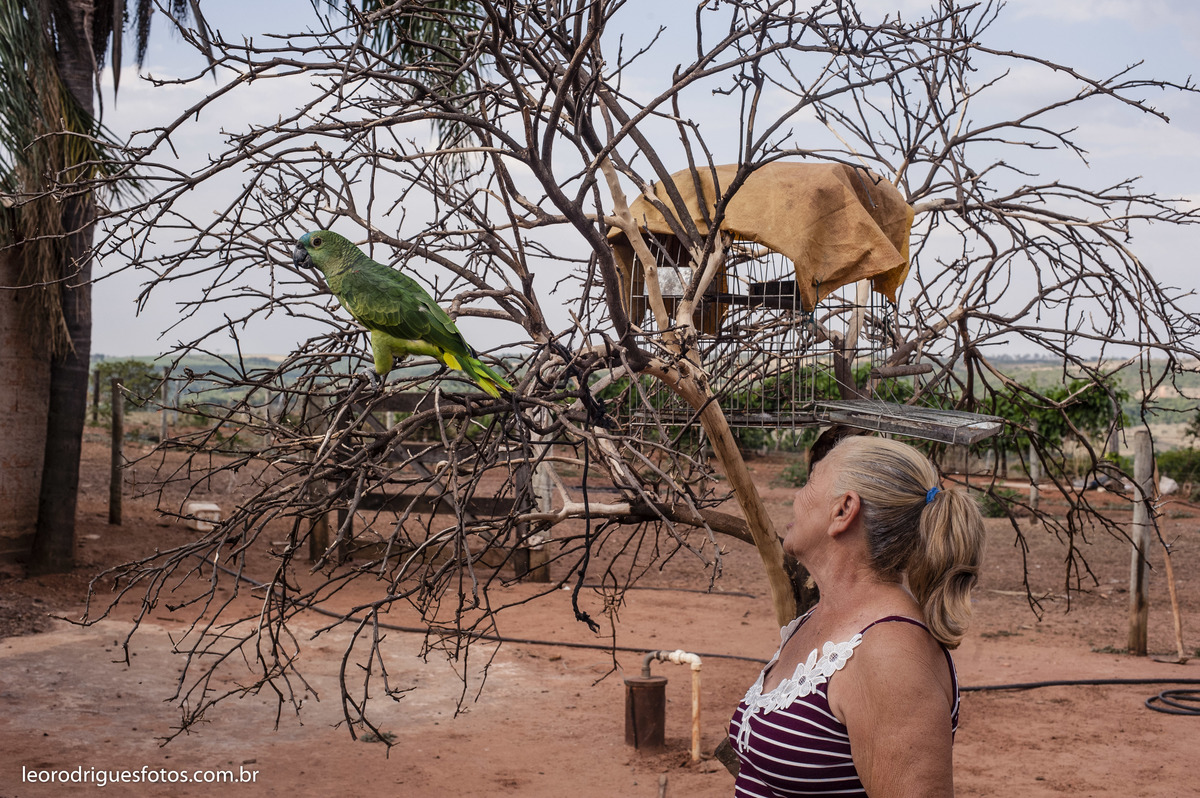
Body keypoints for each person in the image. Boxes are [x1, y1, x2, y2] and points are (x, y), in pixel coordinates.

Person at [727, 435, 984, 797]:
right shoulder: (816, 619)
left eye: (811, 481)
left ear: (844, 510)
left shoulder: (891, 653)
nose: (797, 497)